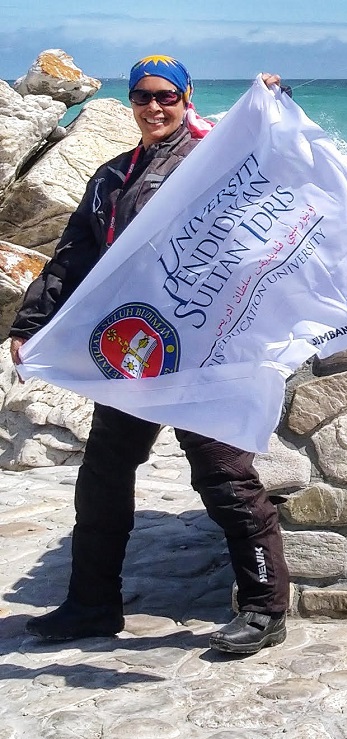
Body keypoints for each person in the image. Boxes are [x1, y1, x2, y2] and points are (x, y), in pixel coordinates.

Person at [9, 55, 290, 655]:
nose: (154, 107)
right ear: (131, 103)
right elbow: (72, 255)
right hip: (135, 353)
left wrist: (271, 101)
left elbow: (273, 167)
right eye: (142, 97)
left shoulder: (215, 157)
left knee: (225, 478)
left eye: (166, 96)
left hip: (204, 354)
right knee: (104, 477)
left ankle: (266, 609)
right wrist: (31, 322)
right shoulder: (111, 178)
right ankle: (92, 605)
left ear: (188, 98)